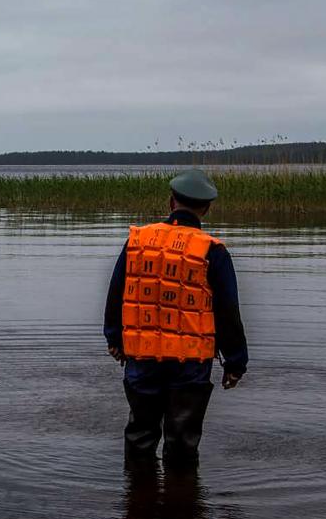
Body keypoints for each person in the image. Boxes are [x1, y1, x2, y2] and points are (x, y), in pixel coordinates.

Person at [103, 169, 248, 466]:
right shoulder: (213, 250)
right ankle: (184, 506)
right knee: (182, 444)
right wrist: (235, 363)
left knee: (140, 438)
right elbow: (227, 310)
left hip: (142, 357)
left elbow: (117, 291)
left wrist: (115, 338)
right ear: (206, 208)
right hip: (190, 362)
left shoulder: (138, 242)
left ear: (171, 202)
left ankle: (137, 504)